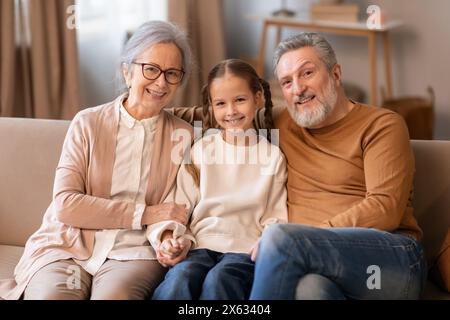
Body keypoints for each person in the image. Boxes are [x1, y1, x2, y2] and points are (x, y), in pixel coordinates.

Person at [172, 33, 427, 300]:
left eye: (307, 73)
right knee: (311, 291)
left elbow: (385, 208)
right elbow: (220, 110)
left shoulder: (381, 125)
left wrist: (302, 237)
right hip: (314, 263)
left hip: (388, 263)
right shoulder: (284, 119)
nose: (298, 88)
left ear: (336, 74)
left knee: (281, 238)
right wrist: (149, 109)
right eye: (287, 81)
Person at [0, 21, 194, 300]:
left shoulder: (183, 135)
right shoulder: (88, 123)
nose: (161, 82)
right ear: (127, 71)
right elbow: (66, 205)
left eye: (172, 73)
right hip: (68, 245)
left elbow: (174, 207)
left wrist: (167, 239)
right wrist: (147, 213)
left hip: (132, 251)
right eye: (150, 69)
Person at [149, 59, 288, 300]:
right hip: (199, 247)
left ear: (257, 98)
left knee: (220, 281)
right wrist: (172, 240)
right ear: (211, 108)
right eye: (221, 104)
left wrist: (265, 246)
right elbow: (179, 206)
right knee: (180, 279)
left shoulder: (272, 155)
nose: (231, 111)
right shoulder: (201, 150)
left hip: (244, 252)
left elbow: (275, 217)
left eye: (240, 100)